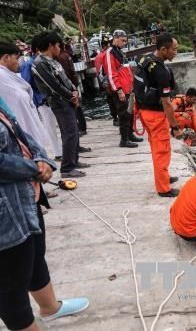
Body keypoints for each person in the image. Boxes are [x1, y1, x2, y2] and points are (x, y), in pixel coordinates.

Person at [0, 102, 89, 331]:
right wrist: (33, 168)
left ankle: (50, 307)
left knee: (34, 253)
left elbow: (19, 131)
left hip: (26, 196)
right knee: (10, 285)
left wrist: (42, 159)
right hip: (6, 211)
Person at [31, 31, 88, 178]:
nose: (59, 48)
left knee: (73, 132)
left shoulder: (53, 61)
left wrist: (74, 91)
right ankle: (67, 168)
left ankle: (73, 161)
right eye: (57, 45)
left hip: (67, 101)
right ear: (50, 45)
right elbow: (53, 85)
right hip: (59, 103)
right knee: (69, 133)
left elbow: (65, 79)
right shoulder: (40, 64)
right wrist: (70, 96)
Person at [134, 33, 181, 197]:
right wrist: (175, 126)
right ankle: (163, 188)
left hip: (143, 111)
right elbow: (167, 103)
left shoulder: (145, 59)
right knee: (161, 150)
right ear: (163, 49)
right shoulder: (161, 72)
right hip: (155, 115)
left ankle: (164, 176)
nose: (176, 52)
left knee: (156, 146)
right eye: (174, 50)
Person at [0, 41, 50, 149]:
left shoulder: (9, 76)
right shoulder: (2, 78)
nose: (19, 62)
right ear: (6, 57)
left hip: (27, 132)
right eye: (17, 58)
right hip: (18, 136)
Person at [19, 35, 62, 161]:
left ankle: (63, 149)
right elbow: (26, 84)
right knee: (50, 126)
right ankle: (57, 152)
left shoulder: (46, 61)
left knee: (58, 124)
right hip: (42, 99)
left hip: (52, 98)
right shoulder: (29, 64)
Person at [103, 29, 143, 147]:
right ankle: (124, 140)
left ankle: (130, 134)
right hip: (121, 90)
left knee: (130, 112)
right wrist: (119, 90)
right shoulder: (110, 53)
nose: (124, 43)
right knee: (124, 114)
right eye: (122, 40)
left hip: (128, 89)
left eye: (126, 41)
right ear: (115, 39)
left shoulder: (119, 52)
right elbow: (111, 74)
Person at [55, 41, 87, 136]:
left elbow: (64, 74)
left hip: (68, 84)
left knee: (75, 107)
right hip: (73, 82)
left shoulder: (60, 57)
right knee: (77, 106)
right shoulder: (66, 55)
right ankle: (82, 126)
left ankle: (81, 127)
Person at [94, 36, 118, 126]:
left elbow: (98, 73)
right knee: (114, 101)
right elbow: (101, 72)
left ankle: (115, 118)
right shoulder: (105, 56)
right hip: (111, 83)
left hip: (108, 83)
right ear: (106, 45)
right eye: (109, 44)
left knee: (111, 101)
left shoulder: (98, 57)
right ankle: (116, 118)